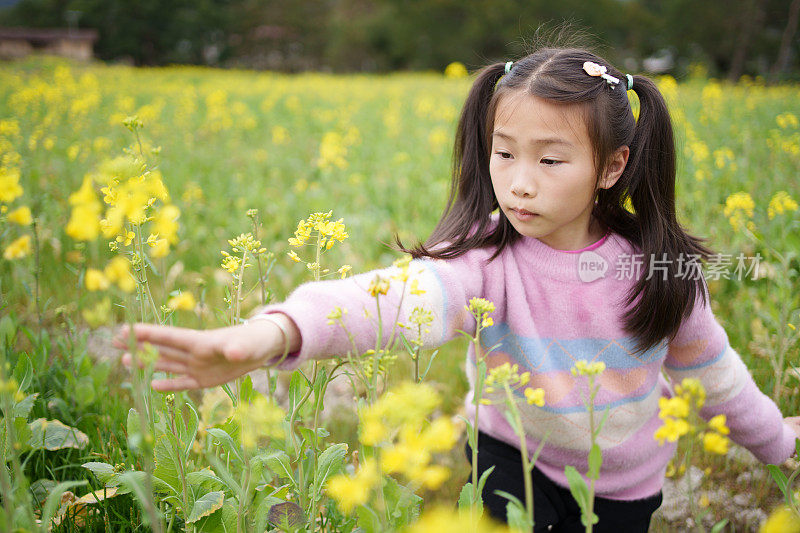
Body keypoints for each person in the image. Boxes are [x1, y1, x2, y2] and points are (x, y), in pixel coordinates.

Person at [114, 47, 800, 532]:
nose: (520, 180)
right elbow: (389, 297)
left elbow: (715, 372)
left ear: (612, 165)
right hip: (504, 457)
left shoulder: (658, 269)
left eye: (550, 158)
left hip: (623, 485)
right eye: (505, 153)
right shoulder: (486, 256)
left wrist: (775, 441)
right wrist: (269, 334)